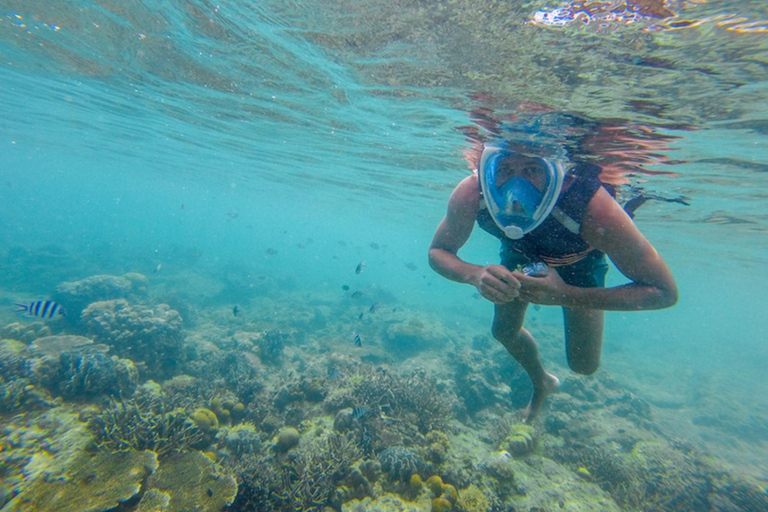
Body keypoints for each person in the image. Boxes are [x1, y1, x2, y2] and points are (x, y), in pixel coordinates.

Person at [428, 141, 678, 422]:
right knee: (503, 332)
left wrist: (566, 295)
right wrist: (475, 275)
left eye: (533, 168)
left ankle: (627, 211)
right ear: (489, 167)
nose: (516, 183)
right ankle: (542, 382)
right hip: (519, 252)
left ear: (556, 172)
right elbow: (438, 251)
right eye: (506, 168)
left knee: (584, 365)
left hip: (580, 262)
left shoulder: (594, 208)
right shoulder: (473, 191)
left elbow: (663, 292)